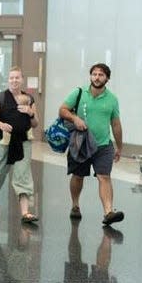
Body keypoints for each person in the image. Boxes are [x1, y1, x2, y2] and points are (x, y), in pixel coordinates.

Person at [58, 63, 123, 226]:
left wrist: (119, 147)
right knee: (78, 177)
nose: (97, 77)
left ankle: (108, 212)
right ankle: (75, 205)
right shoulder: (79, 93)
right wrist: (75, 118)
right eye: (94, 74)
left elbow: (115, 124)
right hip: (81, 143)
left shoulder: (112, 99)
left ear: (107, 78)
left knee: (104, 177)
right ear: (90, 76)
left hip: (103, 146)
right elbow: (63, 110)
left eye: (101, 75)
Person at [0, 67, 39, 223]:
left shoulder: (29, 99)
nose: (14, 80)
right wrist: (2, 125)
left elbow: (35, 123)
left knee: (23, 174)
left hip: (22, 142)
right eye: (11, 78)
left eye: (17, 78)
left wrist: (30, 113)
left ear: (22, 79)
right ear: (8, 80)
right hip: (2, 141)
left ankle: (25, 212)